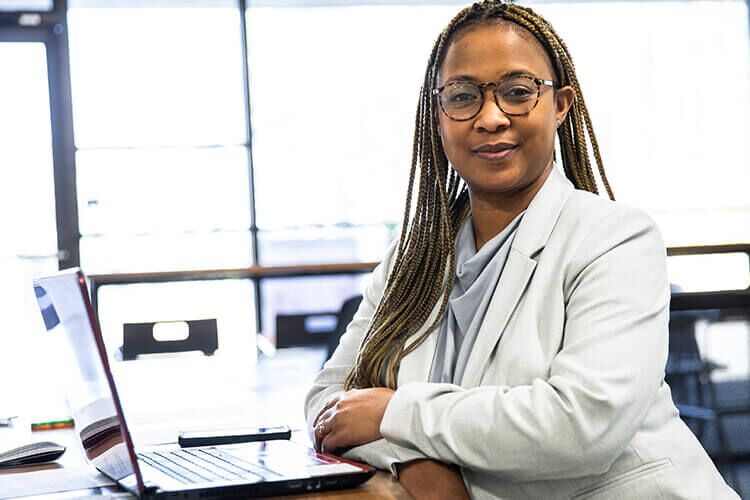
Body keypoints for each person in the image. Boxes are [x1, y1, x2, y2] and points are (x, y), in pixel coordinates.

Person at [305, 1, 739, 498]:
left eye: (517, 92)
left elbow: (581, 427)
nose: (491, 118)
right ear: (438, 115)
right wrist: (415, 464)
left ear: (560, 106)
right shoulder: (415, 259)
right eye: (464, 96)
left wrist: (395, 414)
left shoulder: (615, 239)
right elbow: (329, 400)